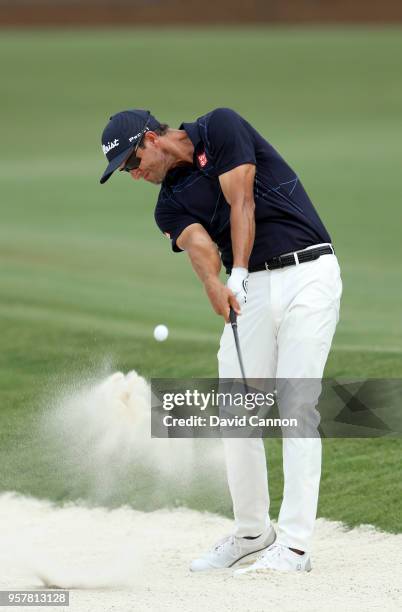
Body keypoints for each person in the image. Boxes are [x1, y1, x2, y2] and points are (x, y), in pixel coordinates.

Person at [99, 107, 342, 573]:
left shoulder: (220, 127)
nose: (135, 174)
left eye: (132, 162)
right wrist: (214, 283)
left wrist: (240, 273)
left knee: (296, 405)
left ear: (151, 138)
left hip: (308, 273)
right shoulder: (167, 205)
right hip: (249, 291)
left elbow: (242, 201)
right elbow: (199, 246)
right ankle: (253, 533)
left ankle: (294, 546)